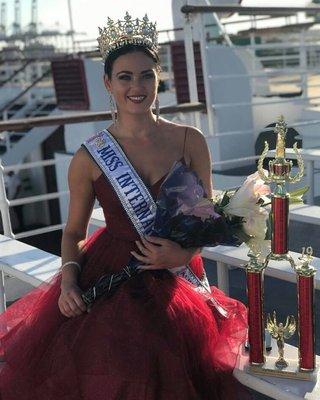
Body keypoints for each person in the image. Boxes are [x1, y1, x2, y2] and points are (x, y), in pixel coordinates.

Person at [0, 12, 248, 399]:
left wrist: (183, 252)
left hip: (176, 273)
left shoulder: (190, 141)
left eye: (147, 75)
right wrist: (68, 282)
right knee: (117, 358)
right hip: (111, 273)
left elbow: (205, 217)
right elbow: (72, 232)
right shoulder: (89, 157)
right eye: (125, 77)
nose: (138, 86)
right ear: (108, 83)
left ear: (158, 78)